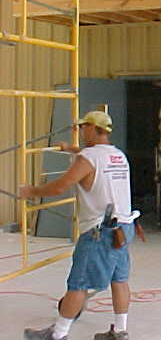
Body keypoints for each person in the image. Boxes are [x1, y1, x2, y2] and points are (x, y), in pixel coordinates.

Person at [19, 111, 138, 340]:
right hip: (123, 228)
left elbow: (60, 186)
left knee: (79, 283)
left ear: (93, 128)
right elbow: (95, 158)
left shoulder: (88, 158)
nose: (81, 131)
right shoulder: (118, 156)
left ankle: (58, 335)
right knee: (119, 280)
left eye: (83, 127)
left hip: (99, 232)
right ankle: (120, 331)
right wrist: (72, 149)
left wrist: (32, 191)